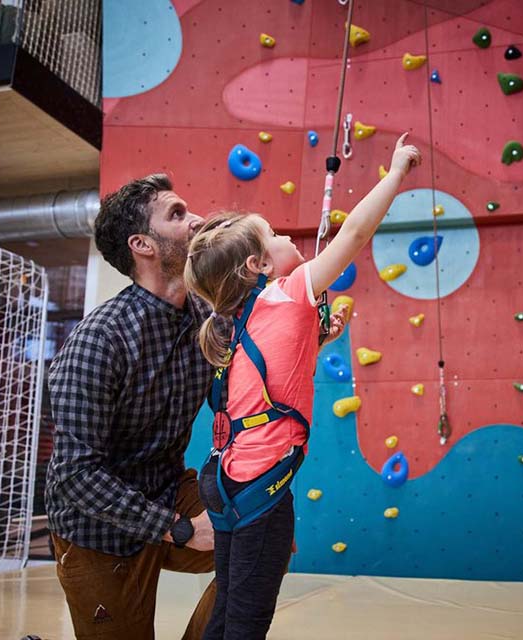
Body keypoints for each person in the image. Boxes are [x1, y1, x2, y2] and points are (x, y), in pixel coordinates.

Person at [184, 133, 422, 639]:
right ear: (258, 265)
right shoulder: (289, 293)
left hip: (227, 480)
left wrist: (315, 341)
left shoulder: (240, 320)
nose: (286, 235)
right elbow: (355, 233)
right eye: (272, 234)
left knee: (229, 608)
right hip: (258, 485)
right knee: (246, 621)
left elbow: (271, 381)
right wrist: (398, 170)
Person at [45, 174, 218, 640]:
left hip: (165, 487)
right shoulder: (100, 340)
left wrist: (314, 335)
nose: (197, 219)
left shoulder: (205, 318)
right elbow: (76, 476)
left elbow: (259, 361)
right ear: (143, 245)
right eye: (177, 214)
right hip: (95, 530)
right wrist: (180, 530)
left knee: (263, 540)